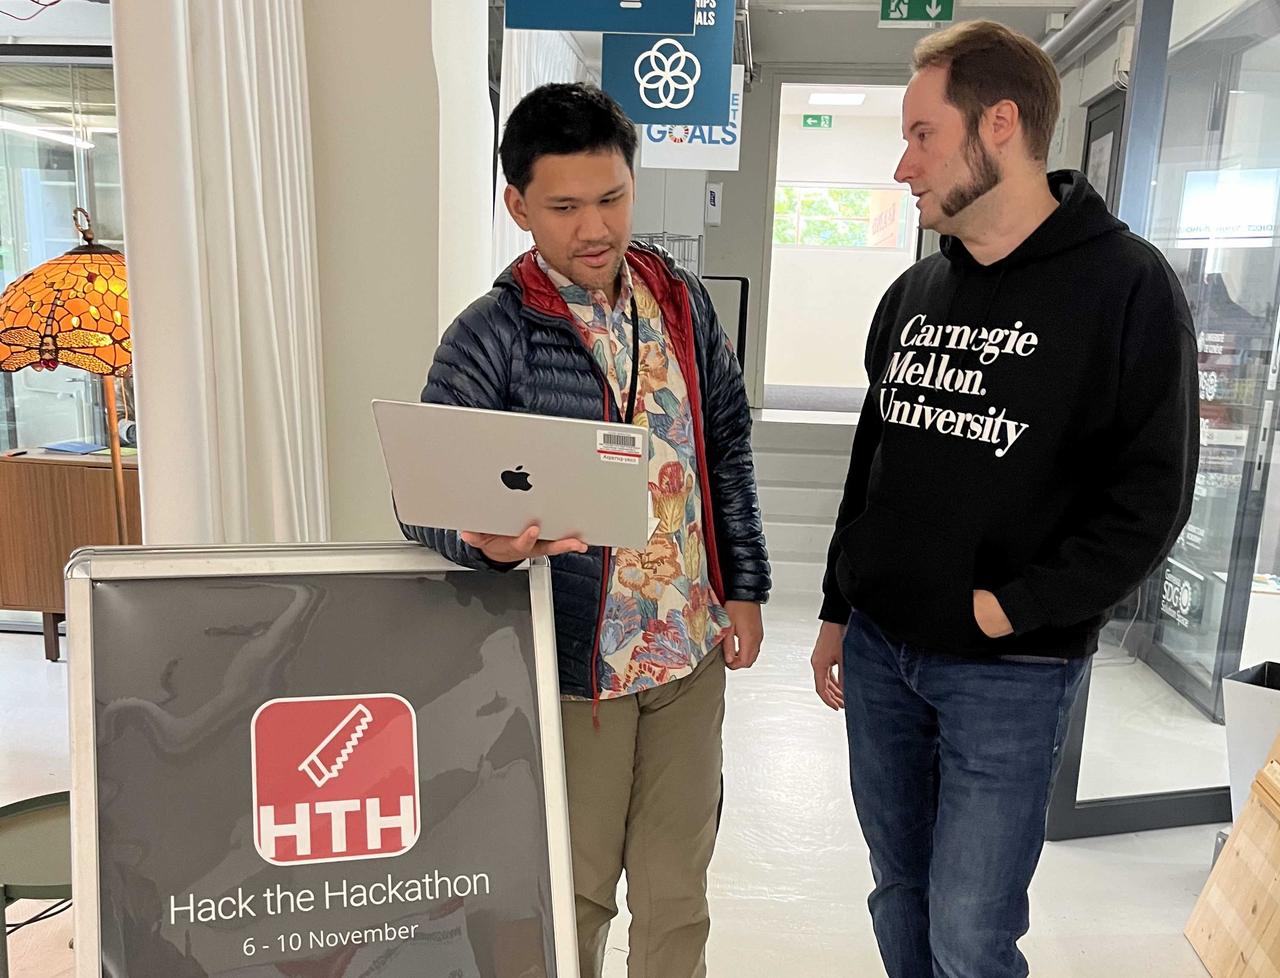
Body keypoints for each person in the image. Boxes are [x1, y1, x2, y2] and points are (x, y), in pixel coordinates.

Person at [809, 21, 1197, 978]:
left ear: (999, 126)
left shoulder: (1126, 286)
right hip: (880, 653)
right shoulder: (916, 290)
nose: (903, 166)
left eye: (921, 135)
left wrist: (1009, 608)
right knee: (897, 892)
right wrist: (836, 605)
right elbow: (875, 458)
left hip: (1009, 670)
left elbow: (1151, 500)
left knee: (971, 932)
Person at [400, 82, 770, 978]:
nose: (595, 227)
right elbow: (423, 496)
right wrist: (480, 539)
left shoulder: (678, 300)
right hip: (576, 670)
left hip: (688, 651)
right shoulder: (494, 334)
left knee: (679, 888)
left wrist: (745, 585)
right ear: (518, 205)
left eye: (612, 197)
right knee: (575, 893)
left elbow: (725, 441)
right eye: (565, 207)